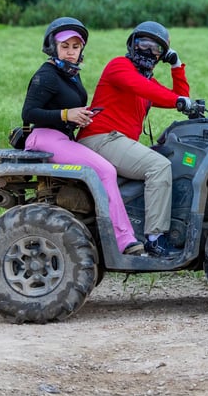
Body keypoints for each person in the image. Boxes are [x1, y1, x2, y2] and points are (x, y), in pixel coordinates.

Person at [21, 17, 144, 255]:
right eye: (65, 46)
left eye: (75, 47)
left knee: (105, 168)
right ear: (52, 47)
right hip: (44, 138)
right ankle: (123, 239)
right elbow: (29, 112)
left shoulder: (70, 74)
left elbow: (63, 108)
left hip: (61, 138)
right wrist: (66, 114)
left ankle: (98, 232)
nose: (70, 52)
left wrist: (80, 117)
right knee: (106, 171)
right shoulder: (46, 75)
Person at [77, 21, 191, 258]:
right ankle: (155, 239)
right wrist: (178, 101)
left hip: (117, 141)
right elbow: (143, 88)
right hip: (100, 138)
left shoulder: (146, 78)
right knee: (158, 166)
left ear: (161, 55)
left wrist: (176, 65)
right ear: (132, 44)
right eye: (143, 44)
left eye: (155, 48)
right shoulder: (119, 66)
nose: (148, 51)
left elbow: (179, 97)